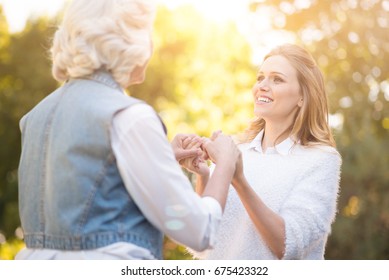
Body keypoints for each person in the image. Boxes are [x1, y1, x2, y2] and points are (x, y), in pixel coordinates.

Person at [15, 0, 240, 260]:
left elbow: (85, 186)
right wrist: (225, 164)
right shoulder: (129, 117)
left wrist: (161, 155)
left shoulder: (35, 117)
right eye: (147, 31)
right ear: (129, 41)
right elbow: (198, 230)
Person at [183, 44, 342, 260]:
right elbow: (201, 242)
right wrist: (202, 175)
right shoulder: (236, 150)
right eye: (260, 78)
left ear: (302, 97)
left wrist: (239, 180)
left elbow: (288, 246)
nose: (263, 86)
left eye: (277, 79)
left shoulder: (321, 160)